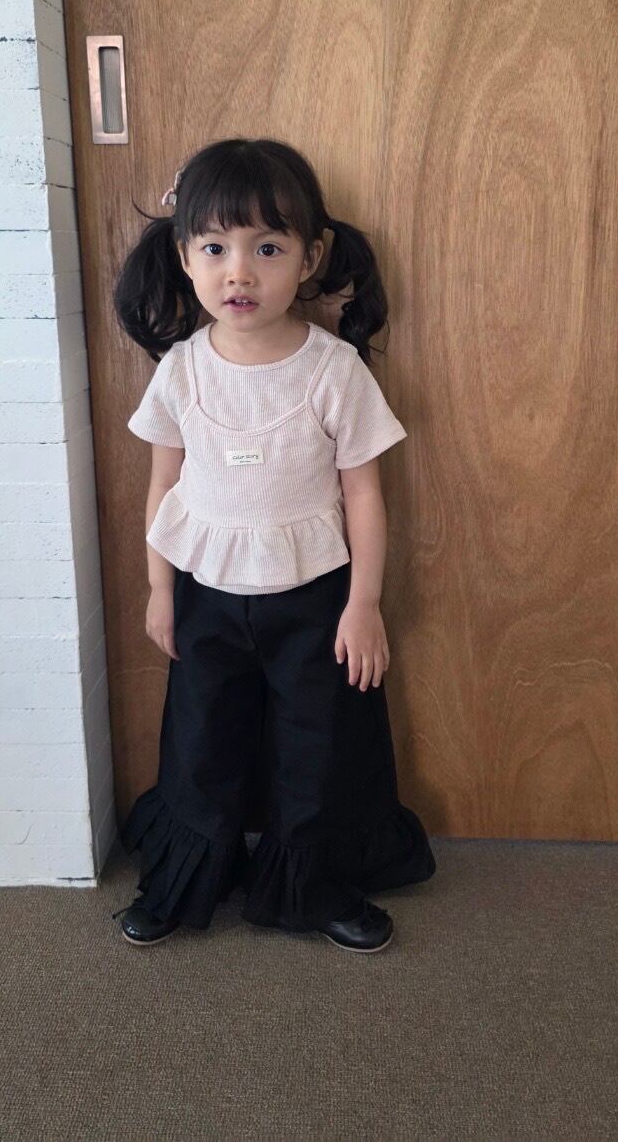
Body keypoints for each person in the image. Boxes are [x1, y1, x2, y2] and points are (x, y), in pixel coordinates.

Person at [109, 138, 435, 953]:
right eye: (215, 248)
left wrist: (364, 605)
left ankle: (315, 886)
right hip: (206, 594)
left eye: (267, 248)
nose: (240, 273)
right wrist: (159, 589)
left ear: (310, 257)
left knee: (317, 745)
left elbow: (366, 492)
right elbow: (162, 486)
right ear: (184, 256)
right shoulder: (182, 371)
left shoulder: (334, 370)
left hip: (316, 598)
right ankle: (185, 879)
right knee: (200, 742)